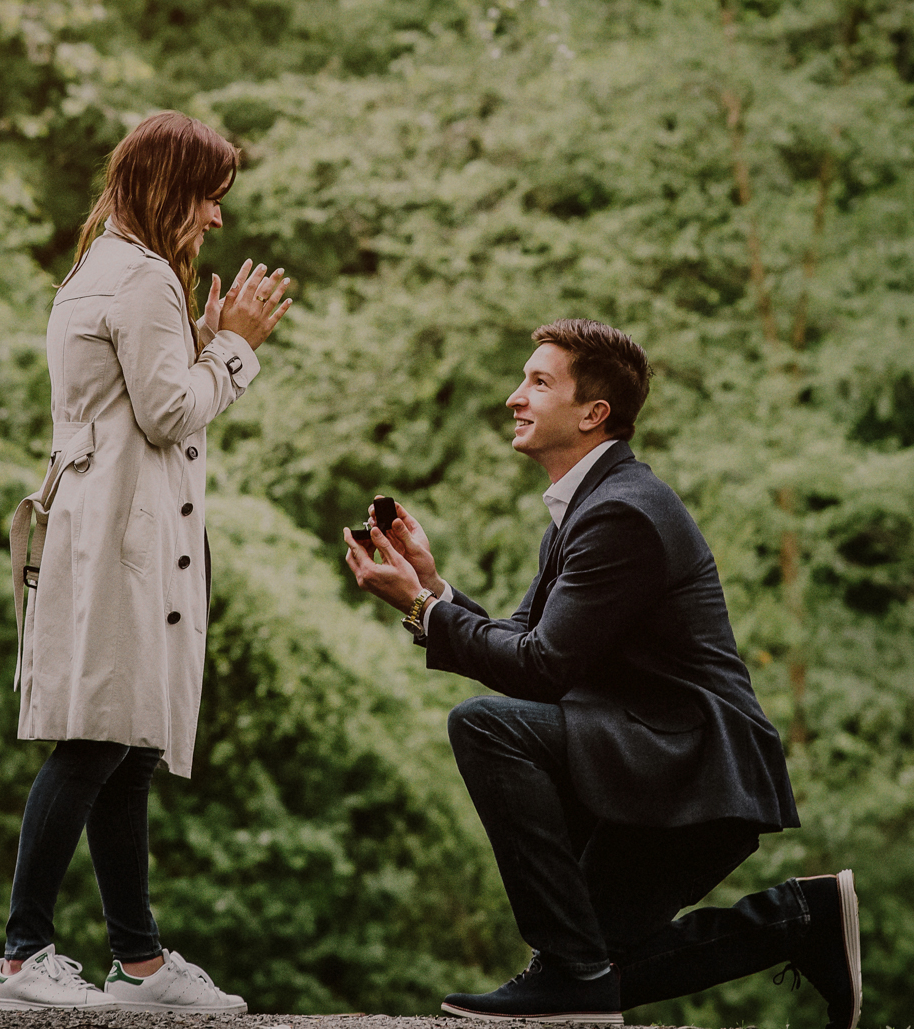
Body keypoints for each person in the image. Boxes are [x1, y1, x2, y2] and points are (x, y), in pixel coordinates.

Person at [344, 319, 861, 1027]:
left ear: (594, 414)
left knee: (486, 728)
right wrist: (434, 590)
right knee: (595, 972)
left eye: (538, 381)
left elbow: (542, 668)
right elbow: (529, 644)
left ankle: (572, 972)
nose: (513, 398)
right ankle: (801, 919)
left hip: (690, 764)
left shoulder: (622, 512)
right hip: (665, 766)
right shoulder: (586, 510)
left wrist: (426, 609)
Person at [0, 112, 295, 1015]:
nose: (218, 221)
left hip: (100, 527)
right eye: (210, 199)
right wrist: (235, 347)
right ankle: (22, 955)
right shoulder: (145, 277)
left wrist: (199, 342)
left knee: (123, 745)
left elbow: (137, 401)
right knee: (92, 739)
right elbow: (167, 414)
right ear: (170, 188)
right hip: (118, 536)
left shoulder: (102, 268)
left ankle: (141, 962)